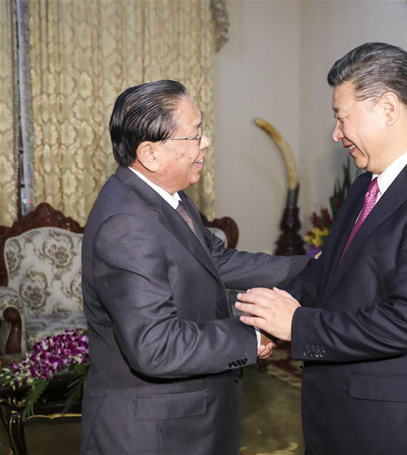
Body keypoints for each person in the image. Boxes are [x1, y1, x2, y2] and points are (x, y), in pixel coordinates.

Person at [236, 43, 407, 454]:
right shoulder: (366, 184)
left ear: (387, 108)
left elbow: (406, 322)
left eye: (340, 117)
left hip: (394, 428)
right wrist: (272, 317)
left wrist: (297, 326)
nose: (336, 134)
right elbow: (329, 270)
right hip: (339, 413)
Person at [81, 80, 309, 455]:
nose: (206, 143)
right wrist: (252, 338)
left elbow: (216, 260)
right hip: (153, 435)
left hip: (189, 420)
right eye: (195, 135)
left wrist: (310, 267)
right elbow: (155, 346)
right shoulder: (126, 224)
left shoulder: (166, 196)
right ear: (151, 154)